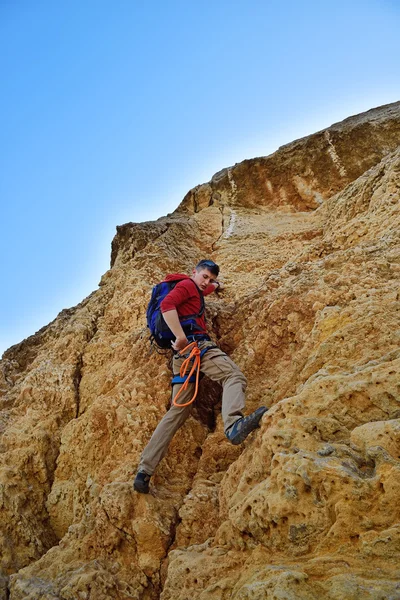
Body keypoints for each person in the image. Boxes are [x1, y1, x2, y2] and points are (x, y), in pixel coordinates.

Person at [134, 259, 267, 493]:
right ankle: (234, 424)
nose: (207, 282)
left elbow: (205, 288)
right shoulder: (186, 285)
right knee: (234, 376)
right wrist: (181, 337)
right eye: (204, 276)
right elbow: (167, 305)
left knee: (178, 411)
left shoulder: (195, 286)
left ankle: (144, 471)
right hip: (196, 348)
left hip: (182, 358)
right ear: (193, 272)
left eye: (210, 279)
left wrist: (216, 286)